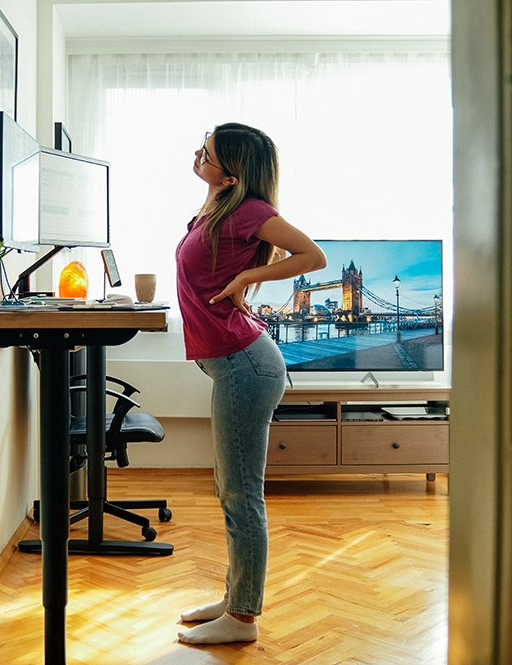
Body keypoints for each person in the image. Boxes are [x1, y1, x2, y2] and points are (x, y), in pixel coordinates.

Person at [175, 123, 326, 645]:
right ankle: (234, 598)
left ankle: (242, 620)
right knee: (230, 490)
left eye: (208, 152)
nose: (198, 152)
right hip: (232, 362)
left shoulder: (251, 212)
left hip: (246, 364)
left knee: (242, 495)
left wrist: (247, 280)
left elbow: (313, 257)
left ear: (233, 171)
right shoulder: (217, 209)